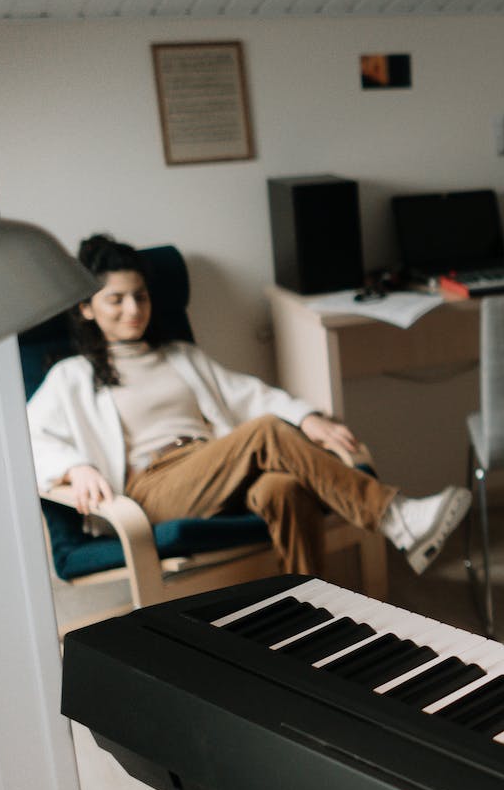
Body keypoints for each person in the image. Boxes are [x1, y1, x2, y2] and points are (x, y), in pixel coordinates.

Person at [28, 234, 472, 578]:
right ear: (86, 308)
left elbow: (248, 393)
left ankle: (315, 620)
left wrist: (307, 417)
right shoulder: (72, 376)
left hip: (214, 466)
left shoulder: (180, 356)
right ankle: (393, 515)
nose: (133, 309)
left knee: (282, 489)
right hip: (153, 488)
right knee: (264, 431)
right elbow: (28, 436)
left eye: (140, 296)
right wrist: (74, 467)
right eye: (116, 299)